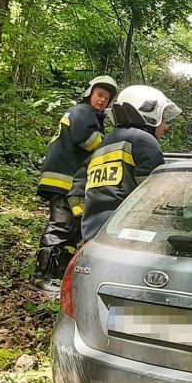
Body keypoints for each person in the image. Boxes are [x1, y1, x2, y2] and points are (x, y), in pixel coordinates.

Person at [32, 75, 118, 293]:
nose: (101, 101)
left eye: (106, 98)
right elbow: (88, 141)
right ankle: (41, 276)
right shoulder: (82, 112)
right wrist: (112, 144)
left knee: (73, 230)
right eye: (99, 95)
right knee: (61, 226)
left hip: (71, 182)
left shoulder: (89, 115)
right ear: (90, 93)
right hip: (64, 180)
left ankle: (58, 276)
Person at [79, 85, 181, 242]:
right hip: (127, 238)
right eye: (164, 118)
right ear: (149, 112)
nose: (165, 126)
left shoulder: (102, 146)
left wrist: (80, 215)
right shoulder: (144, 141)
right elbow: (157, 195)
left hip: (94, 237)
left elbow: (77, 188)